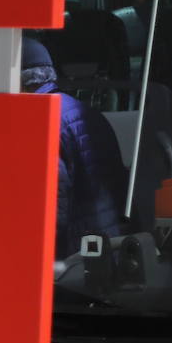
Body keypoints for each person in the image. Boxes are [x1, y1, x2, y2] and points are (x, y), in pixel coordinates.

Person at [19, 37, 128, 256]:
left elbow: (54, 204)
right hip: (106, 235)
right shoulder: (79, 109)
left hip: (73, 252)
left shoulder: (41, 120)